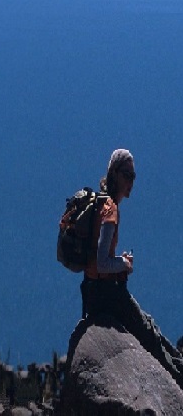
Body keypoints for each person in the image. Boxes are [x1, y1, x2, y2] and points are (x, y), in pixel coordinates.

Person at [81, 149, 183, 389]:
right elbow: (102, 261)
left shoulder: (98, 203)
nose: (131, 182)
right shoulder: (110, 211)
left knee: (150, 324)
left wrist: (117, 262)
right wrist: (124, 264)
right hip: (108, 295)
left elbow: (97, 259)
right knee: (149, 335)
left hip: (90, 291)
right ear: (114, 174)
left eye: (134, 177)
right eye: (127, 176)